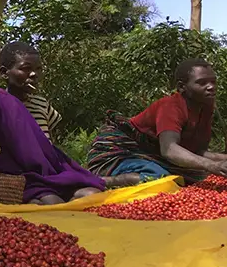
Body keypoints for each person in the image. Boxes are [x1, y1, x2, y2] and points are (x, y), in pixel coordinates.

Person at [0, 41, 105, 205]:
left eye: (38, 69)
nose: (34, 74)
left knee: (93, 193)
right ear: (4, 73)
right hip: (17, 179)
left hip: (48, 175)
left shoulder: (42, 104)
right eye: (25, 68)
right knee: (53, 202)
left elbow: (47, 146)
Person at [87, 58, 227, 185]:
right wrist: (212, 165)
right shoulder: (171, 107)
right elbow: (169, 150)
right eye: (202, 83)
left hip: (150, 155)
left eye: (213, 81)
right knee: (159, 179)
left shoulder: (206, 107)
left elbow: (197, 151)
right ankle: (100, 181)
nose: (211, 87)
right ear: (182, 87)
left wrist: (220, 161)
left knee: (199, 178)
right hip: (118, 151)